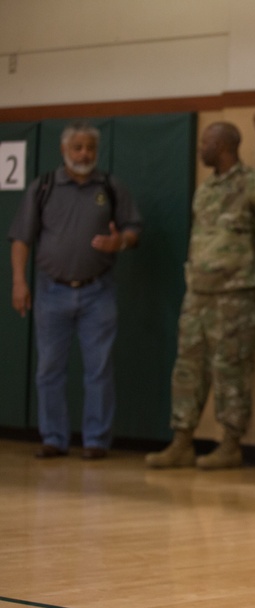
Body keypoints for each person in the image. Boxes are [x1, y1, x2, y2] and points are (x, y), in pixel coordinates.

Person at [145, 121, 255, 470]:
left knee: (230, 369)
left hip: (233, 296)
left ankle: (231, 444)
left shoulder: (249, 183)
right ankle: (181, 442)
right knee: (188, 368)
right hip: (198, 294)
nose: (201, 146)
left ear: (222, 145)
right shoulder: (206, 189)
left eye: (206, 141)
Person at [8, 121, 142, 460]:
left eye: (90, 148)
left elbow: (132, 229)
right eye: (78, 147)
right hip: (51, 291)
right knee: (49, 368)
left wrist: (120, 242)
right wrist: (19, 281)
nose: (84, 154)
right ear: (64, 150)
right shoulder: (45, 187)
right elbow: (22, 237)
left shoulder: (111, 187)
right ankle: (53, 437)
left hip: (98, 291)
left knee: (98, 368)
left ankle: (96, 440)